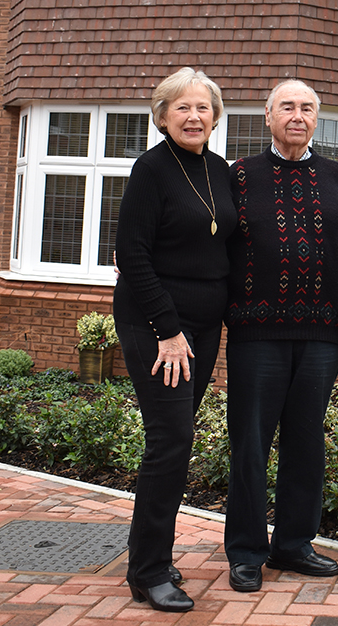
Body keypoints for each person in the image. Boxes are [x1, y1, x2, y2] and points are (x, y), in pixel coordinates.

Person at [223, 79, 338, 592]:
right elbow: (206, 241)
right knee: (249, 444)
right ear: (267, 116)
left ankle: (293, 545)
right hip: (255, 335)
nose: (297, 115)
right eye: (286, 106)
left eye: (306, 108)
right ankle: (246, 550)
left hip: (320, 337)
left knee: (307, 443)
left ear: (317, 119)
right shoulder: (238, 176)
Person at [113, 67, 237, 612]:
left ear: (215, 116)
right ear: (162, 116)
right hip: (156, 325)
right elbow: (132, 255)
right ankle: (146, 571)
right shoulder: (151, 169)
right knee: (171, 440)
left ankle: (155, 556)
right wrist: (168, 331)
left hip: (205, 327)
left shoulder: (220, 171)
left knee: (177, 437)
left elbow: (227, 248)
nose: (194, 117)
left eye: (203, 108)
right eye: (182, 108)